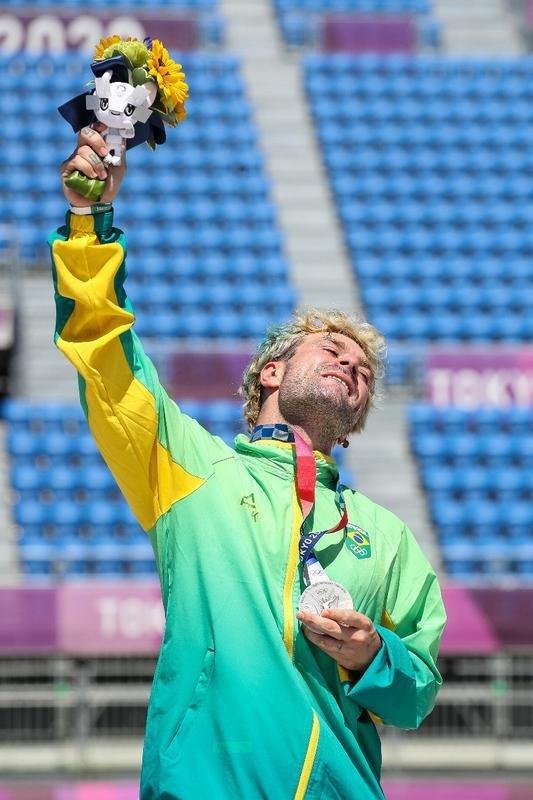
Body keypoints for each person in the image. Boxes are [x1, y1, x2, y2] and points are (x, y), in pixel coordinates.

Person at [51, 125, 446, 800]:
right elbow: (105, 358)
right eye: (330, 350)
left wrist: (372, 654)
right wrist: (89, 223)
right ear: (270, 372)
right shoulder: (187, 468)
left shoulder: (385, 536)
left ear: (353, 424)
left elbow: (417, 691)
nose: (350, 363)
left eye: (363, 372)